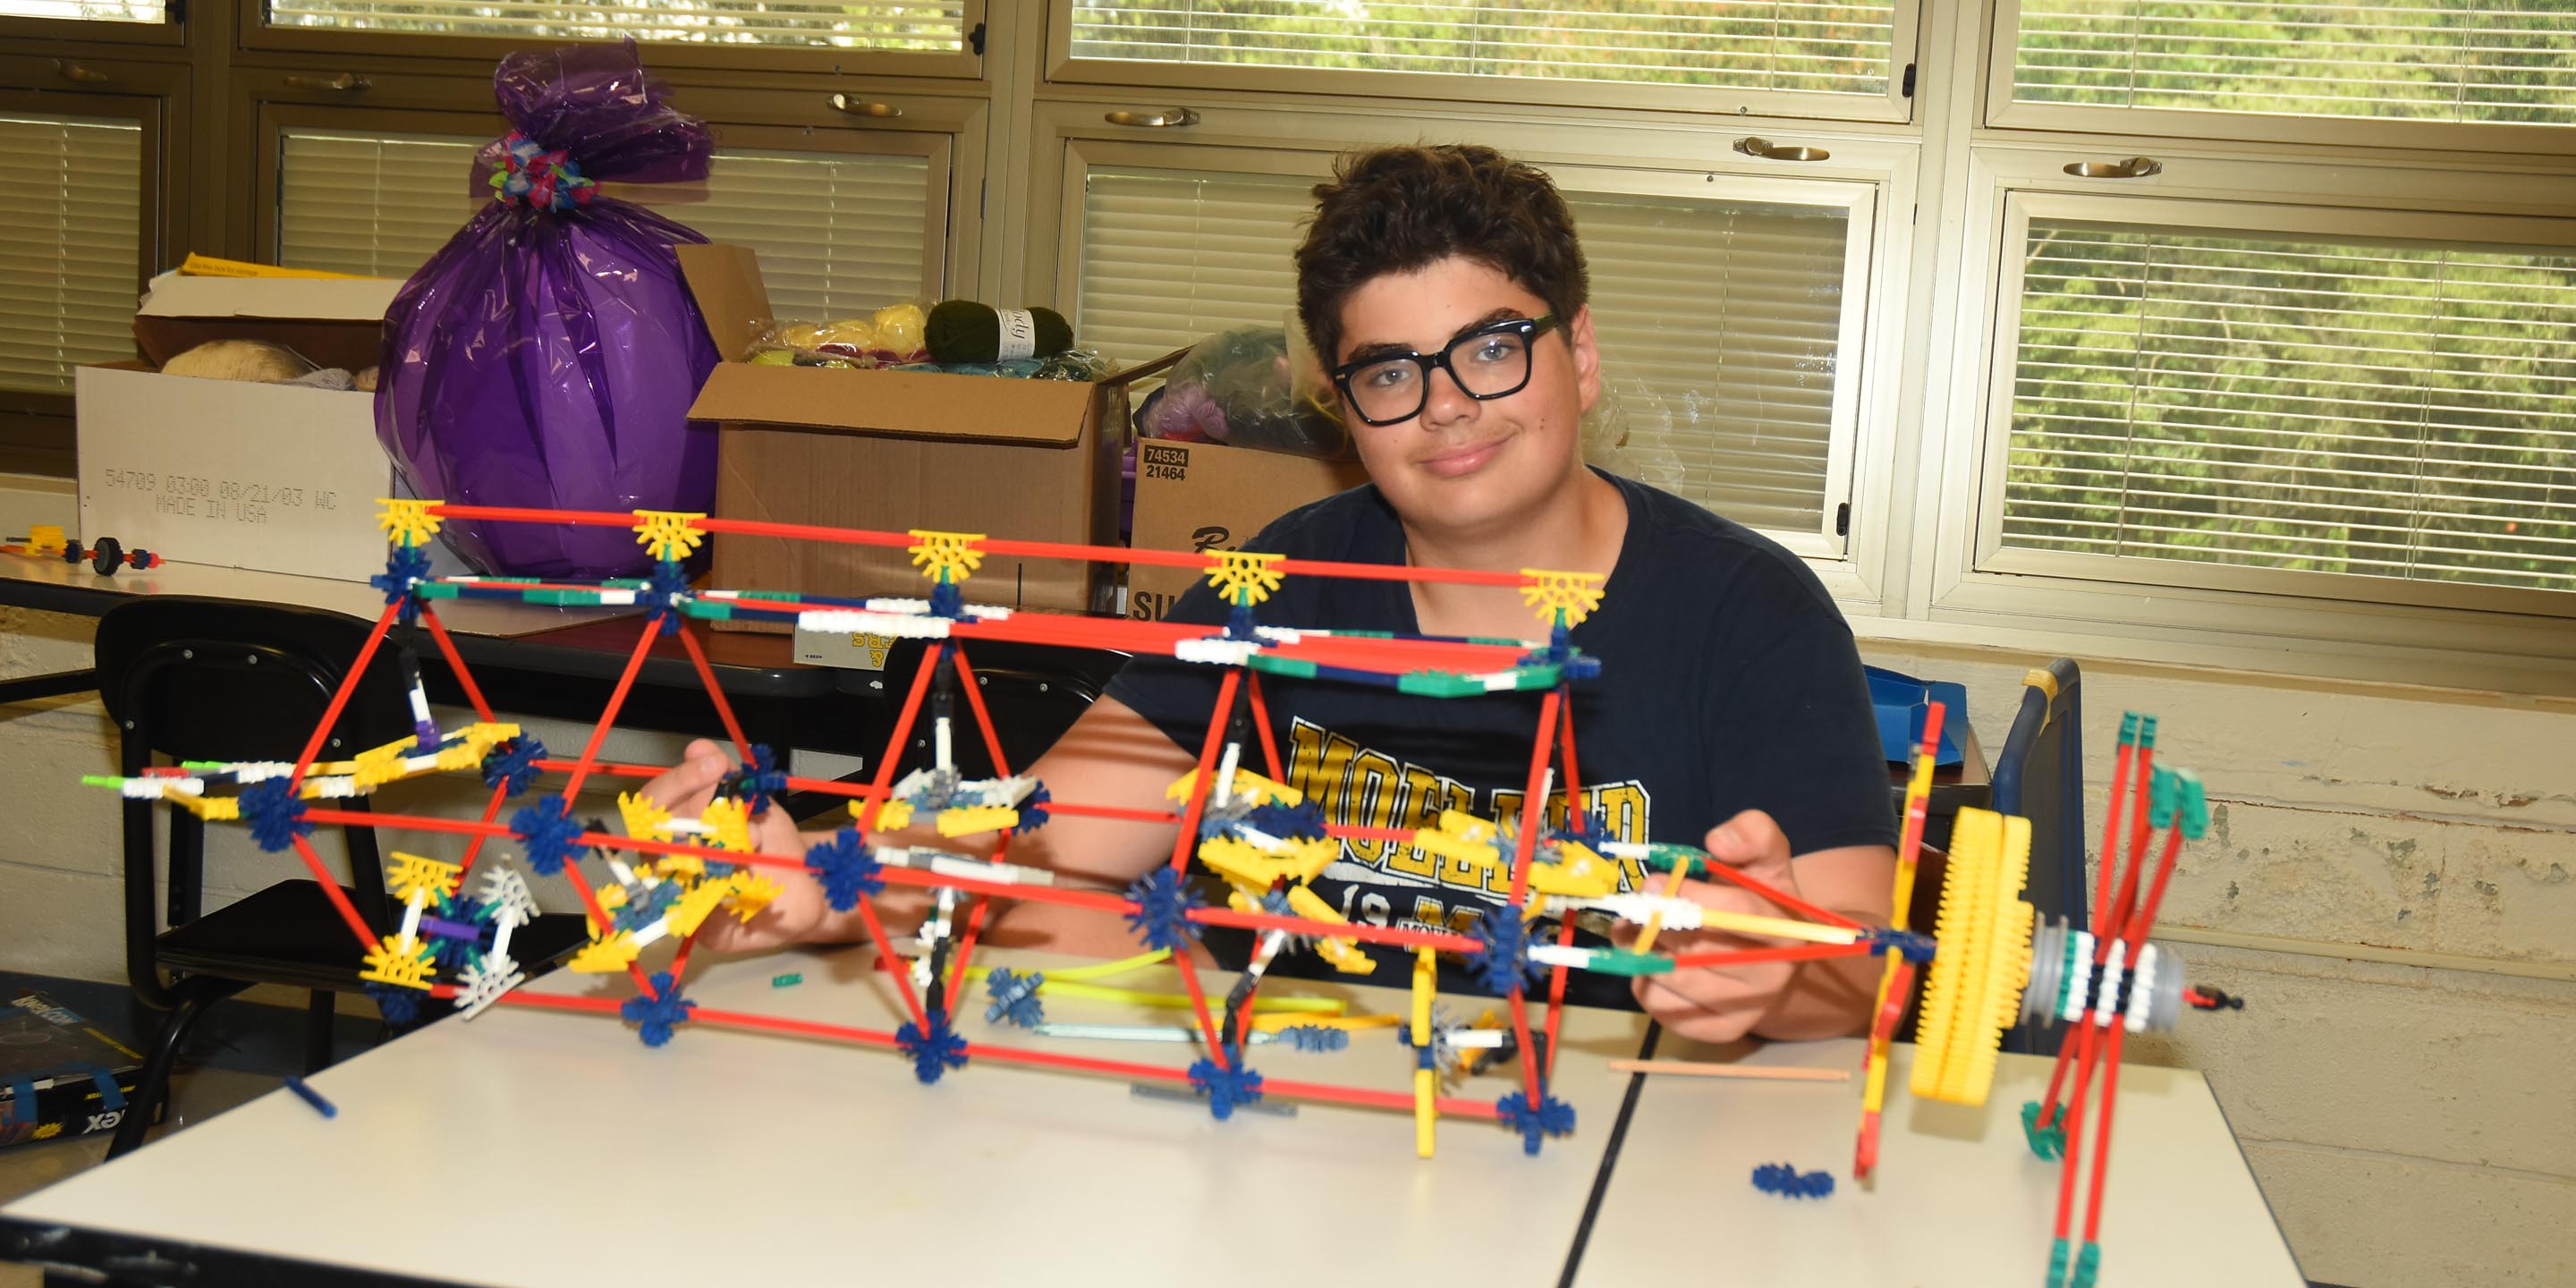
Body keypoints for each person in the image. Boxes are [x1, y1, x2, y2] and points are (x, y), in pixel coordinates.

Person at [649, 143, 1898, 1043]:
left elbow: (1860, 963)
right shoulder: (1288, 580)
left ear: (1578, 350)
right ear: (1345, 410)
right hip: (1311, 1106)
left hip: (1619, 1117)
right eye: (1390, 371)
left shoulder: (1752, 612)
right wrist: (819, 876)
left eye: (1491, 349)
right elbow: (1045, 826)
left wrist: (1774, 976)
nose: (1447, 402)